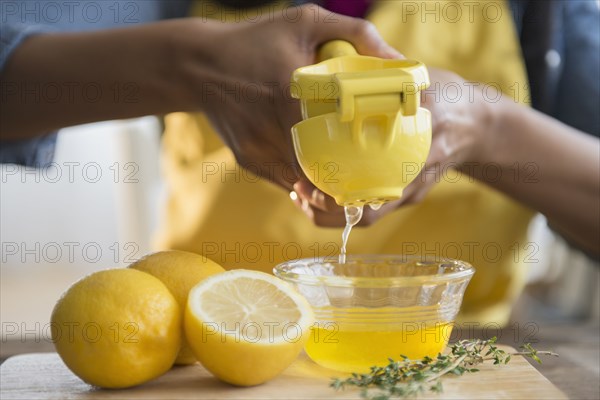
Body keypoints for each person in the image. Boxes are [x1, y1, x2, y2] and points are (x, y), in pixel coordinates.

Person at [1, 1, 598, 326]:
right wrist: (190, 64)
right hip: (213, 344)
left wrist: (489, 125)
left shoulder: (546, 14)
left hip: (453, 360)